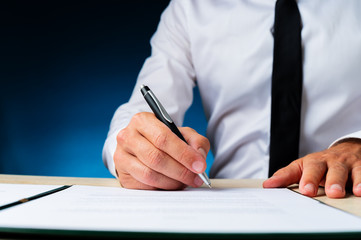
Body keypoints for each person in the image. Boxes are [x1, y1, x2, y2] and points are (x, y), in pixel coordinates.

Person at [102, 0, 361, 198]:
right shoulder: (192, 7)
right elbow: (141, 109)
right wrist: (132, 147)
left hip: (342, 195)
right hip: (229, 205)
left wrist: (356, 144)